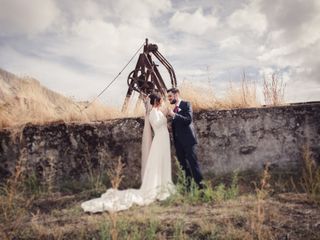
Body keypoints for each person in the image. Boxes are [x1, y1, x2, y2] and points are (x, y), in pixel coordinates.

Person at [81, 92, 175, 213]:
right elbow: (156, 124)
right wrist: (166, 117)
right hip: (159, 140)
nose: (162, 102)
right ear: (156, 101)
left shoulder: (157, 112)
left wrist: (166, 117)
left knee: (164, 161)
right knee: (158, 162)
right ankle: (156, 187)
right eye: (160, 100)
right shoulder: (152, 113)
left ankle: (164, 184)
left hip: (164, 140)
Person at [167, 88, 204, 189]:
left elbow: (188, 120)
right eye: (168, 97)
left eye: (170, 96)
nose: (168, 98)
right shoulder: (174, 108)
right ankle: (189, 188)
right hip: (178, 143)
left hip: (188, 141)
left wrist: (174, 115)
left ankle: (201, 189)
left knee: (193, 164)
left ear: (176, 95)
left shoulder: (186, 104)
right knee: (183, 166)